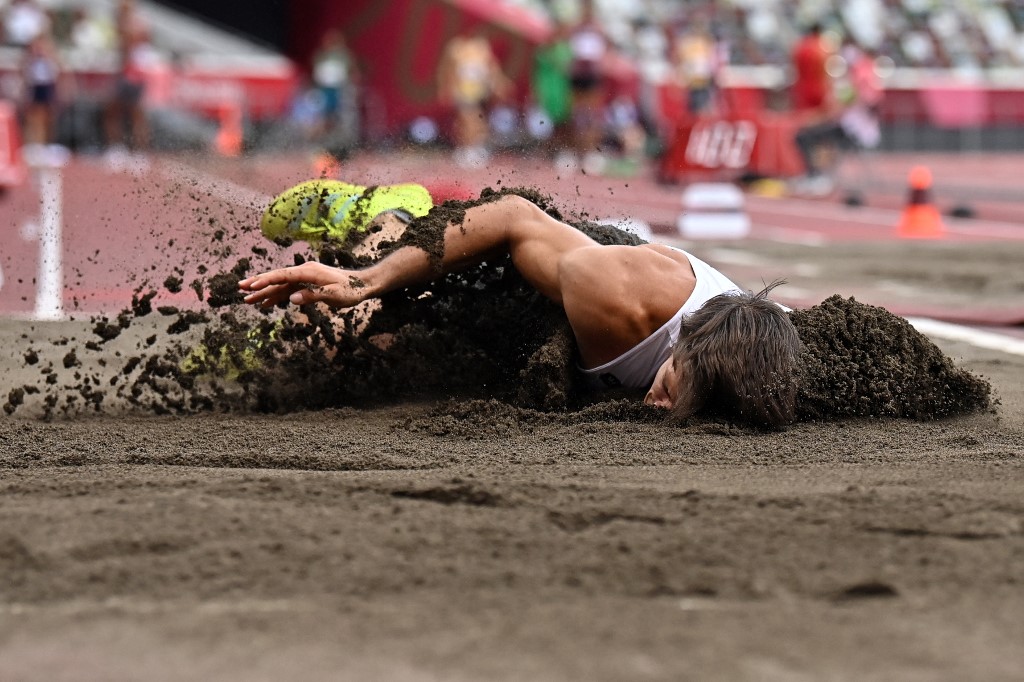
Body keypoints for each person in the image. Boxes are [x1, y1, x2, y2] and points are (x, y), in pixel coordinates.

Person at [240, 180, 802, 429]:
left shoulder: (769, 373)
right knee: (346, 331)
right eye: (672, 390)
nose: (662, 409)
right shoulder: (621, 299)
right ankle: (390, 216)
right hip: (526, 271)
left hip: (589, 325)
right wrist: (364, 282)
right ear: (682, 348)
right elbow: (512, 218)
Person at [436, 31, 511, 168]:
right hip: (462, 93)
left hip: (480, 93)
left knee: (478, 122)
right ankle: (467, 149)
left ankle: (472, 148)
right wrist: (446, 88)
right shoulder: (456, 49)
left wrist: (500, 84)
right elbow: (446, 70)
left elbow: (493, 70)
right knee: (469, 120)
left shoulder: (483, 51)